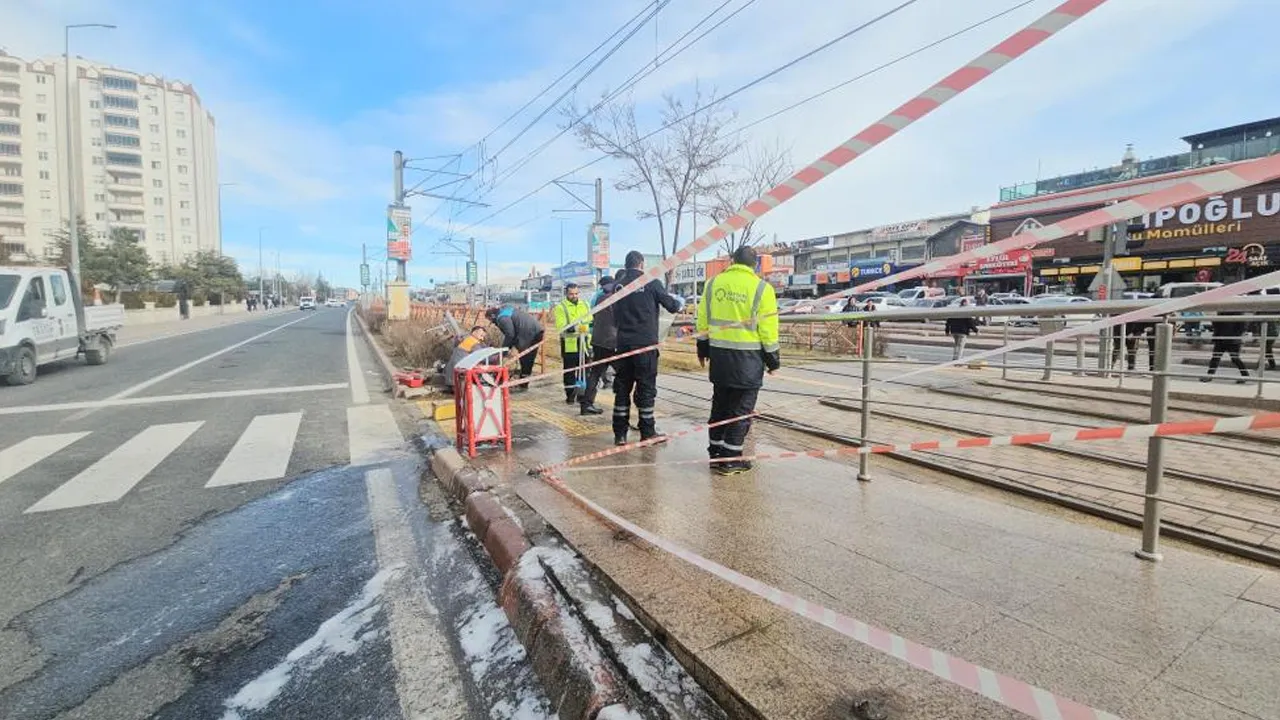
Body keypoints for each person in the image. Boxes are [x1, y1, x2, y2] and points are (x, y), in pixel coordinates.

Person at [697, 246, 780, 475]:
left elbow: (702, 320)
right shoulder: (763, 289)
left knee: (720, 407)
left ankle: (715, 454)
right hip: (748, 362)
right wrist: (773, 361)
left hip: (720, 358)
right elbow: (769, 330)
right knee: (741, 411)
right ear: (755, 265)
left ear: (732, 261)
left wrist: (702, 349)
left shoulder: (713, 284)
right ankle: (731, 459)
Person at [611, 250, 684, 445]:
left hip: (624, 344)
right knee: (646, 388)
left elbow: (614, 314)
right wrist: (679, 302)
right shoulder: (651, 282)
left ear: (626, 265)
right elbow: (672, 306)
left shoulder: (619, 286)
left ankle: (620, 434)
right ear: (642, 264)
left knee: (622, 388)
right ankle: (647, 431)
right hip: (645, 345)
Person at [579, 273, 622, 416]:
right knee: (624, 373)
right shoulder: (616, 298)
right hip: (613, 342)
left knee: (595, 373)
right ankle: (623, 406)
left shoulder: (599, 299)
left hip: (598, 341)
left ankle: (586, 405)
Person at [487, 305, 545, 390]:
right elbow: (512, 333)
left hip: (528, 333)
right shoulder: (507, 310)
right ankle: (523, 383)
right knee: (529, 359)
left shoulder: (502, 318)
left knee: (525, 359)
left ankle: (523, 384)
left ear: (492, 316)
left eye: (490, 320)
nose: (492, 322)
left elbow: (510, 334)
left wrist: (504, 350)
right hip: (537, 331)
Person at [552, 282, 593, 406]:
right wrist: (578, 328)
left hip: (585, 344)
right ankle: (570, 395)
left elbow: (591, 321)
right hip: (570, 345)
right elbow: (562, 327)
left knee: (585, 371)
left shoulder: (585, 304)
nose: (574, 296)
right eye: (571, 294)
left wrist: (583, 328)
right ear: (566, 294)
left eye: (576, 293)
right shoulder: (561, 307)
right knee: (569, 372)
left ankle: (582, 395)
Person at [443, 325, 494, 394]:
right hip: (460, 370)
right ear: (475, 332)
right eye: (481, 335)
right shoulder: (473, 342)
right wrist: (496, 358)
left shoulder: (465, 339)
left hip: (451, 372)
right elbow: (482, 356)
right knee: (481, 368)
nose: (482, 339)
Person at [1202, 311, 1250, 383]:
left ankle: (1245, 375)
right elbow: (1216, 325)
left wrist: (1236, 336)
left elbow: (1243, 327)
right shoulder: (1222, 312)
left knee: (1235, 359)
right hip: (1221, 338)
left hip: (1232, 340)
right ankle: (1209, 376)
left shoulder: (1238, 313)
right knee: (1215, 358)